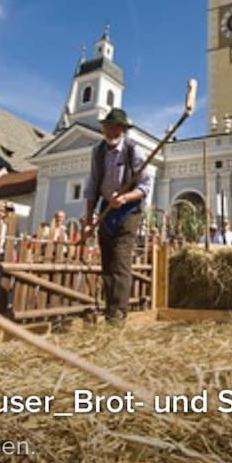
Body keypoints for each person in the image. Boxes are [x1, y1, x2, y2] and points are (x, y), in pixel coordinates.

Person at [82, 108, 152, 322]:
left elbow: (145, 186)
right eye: (106, 127)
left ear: (122, 129)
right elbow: (93, 184)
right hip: (106, 207)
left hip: (129, 209)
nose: (110, 131)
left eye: (114, 127)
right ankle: (109, 308)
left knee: (120, 259)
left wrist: (125, 198)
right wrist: (88, 218)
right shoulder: (98, 151)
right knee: (107, 260)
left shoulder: (133, 151)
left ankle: (118, 314)